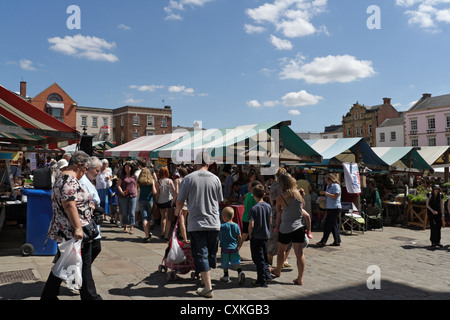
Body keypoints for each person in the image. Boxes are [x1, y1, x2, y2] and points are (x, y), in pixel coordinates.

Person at [41, 151, 102, 300]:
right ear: (79, 165)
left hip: (66, 230)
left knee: (65, 263)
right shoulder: (69, 179)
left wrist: (89, 205)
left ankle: (48, 296)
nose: (86, 172)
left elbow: (73, 201)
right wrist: (78, 228)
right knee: (83, 265)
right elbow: (69, 204)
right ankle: (91, 298)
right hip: (73, 232)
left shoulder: (63, 178)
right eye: (85, 169)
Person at [175, 152, 223, 298]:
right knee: (210, 254)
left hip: (196, 222)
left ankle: (208, 288)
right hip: (214, 222)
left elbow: (180, 200)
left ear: (195, 164)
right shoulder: (216, 179)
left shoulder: (188, 179)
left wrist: (177, 211)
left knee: (201, 254)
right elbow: (219, 200)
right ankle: (205, 280)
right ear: (208, 164)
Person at [270, 173, 307, 285]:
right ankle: (300, 278)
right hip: (299, 226)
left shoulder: (281, 197)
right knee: (299, 253)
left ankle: (278, 270)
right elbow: (302, 206)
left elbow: (278, 209)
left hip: (286, 227)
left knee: (281, 250)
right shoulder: (299, 194)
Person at [79, 156, 103, 263]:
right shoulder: (84, 182)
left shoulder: (88, 180)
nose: (98, 173)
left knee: (95, 248)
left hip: (93, 220)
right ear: (89, 168)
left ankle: (81, 271)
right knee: (94, 249)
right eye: (97, 170)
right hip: (88, 220)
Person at [248, 183, 272, 287]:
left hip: (256, 236)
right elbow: (270, 221)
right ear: (263, 195)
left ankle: (262, 280)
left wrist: (250, 234)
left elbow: (251, 224)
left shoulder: (253, 209)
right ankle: (266, 275)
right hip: (266, 235)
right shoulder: (268, 206)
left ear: (253, 195)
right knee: (264, 258)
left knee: (258, 258)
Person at [219, 206, 245, 285]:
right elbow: (239, 236)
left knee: (225, 262)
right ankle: (240, 272)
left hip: (225, 247)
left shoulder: (222, 226)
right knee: (236, 261)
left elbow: (218, 233)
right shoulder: (236, 225)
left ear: (224, 217)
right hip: (234, 247)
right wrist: (238, 245)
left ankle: (226, 275)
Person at [317, 173, 342, 247]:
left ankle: (323, 241)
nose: (326, 182)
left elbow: (335, 196)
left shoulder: (336, 186)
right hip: (329, 207)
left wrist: (326, 193)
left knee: (327, 224)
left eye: (327, 181)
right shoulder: (328, 186)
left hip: (335, 208)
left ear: (331, 180)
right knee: (333, 225)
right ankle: (337, 241)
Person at [238, 180, 262, 250]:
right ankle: (237, 249)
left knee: (244, 235)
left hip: (245, 217)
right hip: (250, 218)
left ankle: (237, 249)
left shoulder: (248, 194)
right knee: (248, 235)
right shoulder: (253, 196)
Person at [137, 160, 157, 242]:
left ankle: (147, 234)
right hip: (149, 200)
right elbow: (155, 192)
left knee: (144, 218)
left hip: (141, 200)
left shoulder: (140, 181)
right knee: (148, 218)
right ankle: (148, 233)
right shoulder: (151, 181)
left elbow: (137, 188)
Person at [156, 166, 176, 241]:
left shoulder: (158, 182)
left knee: (163, 217)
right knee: (168, 219)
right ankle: (166, 235)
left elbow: (157, 193)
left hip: (161, 201)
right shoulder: (170, 181)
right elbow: (174, 191)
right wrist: (173, 200)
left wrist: (156, 200)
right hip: (169, 201)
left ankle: (162, 232)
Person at [117, 161, 138, 235]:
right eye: (126, 167)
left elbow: (135, 185)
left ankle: (131, 227)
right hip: (124, 196)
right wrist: (121, 192)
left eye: (128, 167)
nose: (127, 169)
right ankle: (125, 226)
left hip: (132, 196)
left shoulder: (134, 176)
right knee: (125, 212)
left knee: (132, 212)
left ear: (131, 168)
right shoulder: (122, 176)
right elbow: (118, 185)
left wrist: (136, 193)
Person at [174, 167, 189, 242]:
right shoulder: (188, 180)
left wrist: (173, 200)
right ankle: (182, 234)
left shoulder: (177, 180)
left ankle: (185, 238)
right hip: (187, 201)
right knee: (184, 220)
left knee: (181, 221)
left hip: (180, 201)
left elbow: (176, 191)